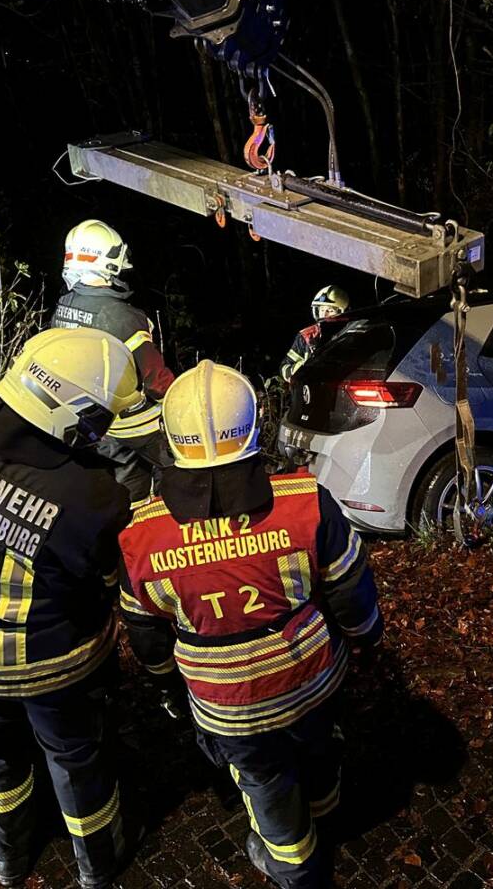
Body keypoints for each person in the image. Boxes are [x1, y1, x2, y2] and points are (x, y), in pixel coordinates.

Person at [117, 360, 382, 888]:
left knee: (266, 783)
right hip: (313, 679)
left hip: (227, 706)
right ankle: (327, 812)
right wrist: (366, 642)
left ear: (171, 440)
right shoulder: (306, 502)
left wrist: (167, 686)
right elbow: (352, 592)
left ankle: (294, 866)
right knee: (318, 745)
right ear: (254, 432)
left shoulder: (139, 536)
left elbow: (145, 634)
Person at [0, 327, 141, 887]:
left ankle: (8, 859)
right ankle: (98, 866)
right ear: (79, 417)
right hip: (45, 664)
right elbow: (101, 587)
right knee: (73, 756)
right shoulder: (93, 497)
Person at [51, 218, 176, 503]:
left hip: (82, 421)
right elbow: (157, 383)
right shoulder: (124, 318)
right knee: (178, 460)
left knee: (112, 494)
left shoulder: (63, 308)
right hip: (125, 422)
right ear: (106, 263)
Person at [280, 285, 350, 382]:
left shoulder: (352, 332)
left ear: (343, 311)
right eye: (321, 310)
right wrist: (301, 368)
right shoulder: (307, 336)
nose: (324, 314)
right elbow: (285, 367)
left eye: (330, 310)